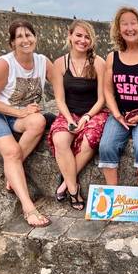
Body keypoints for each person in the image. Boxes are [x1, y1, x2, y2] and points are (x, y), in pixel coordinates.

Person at [0, 19, 53, 227]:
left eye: (28, 35)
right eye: (19, 37)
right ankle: (29, 208)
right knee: (11, 153)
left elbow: (65, 83)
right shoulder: (4, 63)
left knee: (38, 121)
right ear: (12, 43)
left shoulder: (42, 62)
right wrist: (19, 112)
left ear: (35, 38)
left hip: (15, 115)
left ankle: (12, 171)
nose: (25, 40)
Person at [98, 7, 138, 187]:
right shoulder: (112, 57)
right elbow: (108, 91)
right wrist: (117, 115)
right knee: (106, 146)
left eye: (133, 23)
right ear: (118, 29)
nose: (129, 28)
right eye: (124, 24)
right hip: (121, 114)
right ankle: (112, 196)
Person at [47, 20, 108, 210]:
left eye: (87, 37)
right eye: (79, 35)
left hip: (94, 112)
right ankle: (74, 189)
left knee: (90, 139)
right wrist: (69, 119)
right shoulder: (60, 64)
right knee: (60, 140)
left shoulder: (98, 62)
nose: (82, 40)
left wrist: (87, 117)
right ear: (70, 36)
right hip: (69, 112)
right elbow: (59, 98)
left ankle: (65, 183)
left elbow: (102, 99)